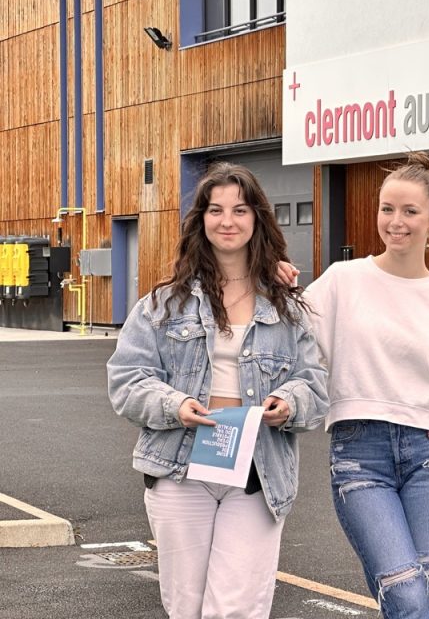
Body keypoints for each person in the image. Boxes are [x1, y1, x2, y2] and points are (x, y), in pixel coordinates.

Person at [107, 162, 329, 619]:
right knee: (186, 607)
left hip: (256, 472)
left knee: (236, 608)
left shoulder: (287, 307)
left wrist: (288, 403)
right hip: (180, 468)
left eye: (240, 210)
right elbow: (126, 381)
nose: (228, 221)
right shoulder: (162, 305)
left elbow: (314, 384)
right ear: (201, 219)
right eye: (216, 210)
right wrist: (175, 404)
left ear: (257, 219)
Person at [304, 151, 429, 619]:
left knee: (423, 601)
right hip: (359, 454)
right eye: (387, 209)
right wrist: (277, 283)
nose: (396, 222)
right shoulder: (342, 282)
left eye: (410, 211)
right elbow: (291, 340)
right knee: (408, 596)